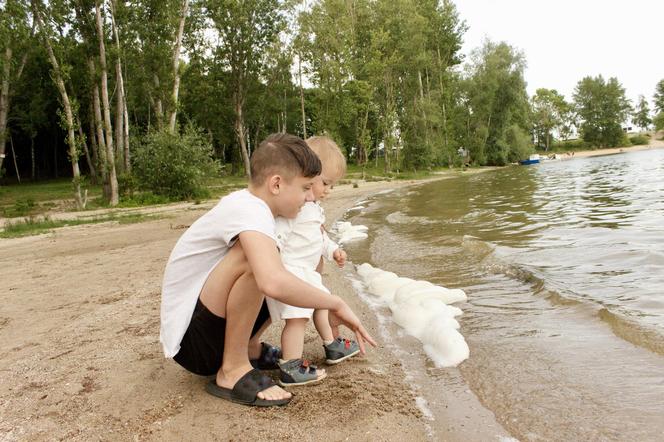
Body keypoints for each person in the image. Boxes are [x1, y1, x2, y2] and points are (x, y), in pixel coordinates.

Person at [159, 133, 376, 407]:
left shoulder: (263, 212)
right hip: (194, 344)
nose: (310, 198)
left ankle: (249, 348)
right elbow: (272, 282)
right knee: (259, 263)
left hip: (210, 331)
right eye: (305, 188)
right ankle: (232, 369)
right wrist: (335, 302)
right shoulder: (247, 210)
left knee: (287, 267)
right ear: (276, 184)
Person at [266, 136, 359, 387]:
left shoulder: (314, 208)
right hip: (293, 273)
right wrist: (275, 265)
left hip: (308, 273)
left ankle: (332, 345)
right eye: (325, 183)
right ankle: (291, 365)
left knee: (322, 305)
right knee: (297, 319)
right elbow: (277, 238)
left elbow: (319, 236)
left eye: (332, 185)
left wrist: (333, 251)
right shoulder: (294, 206)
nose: (328, 190)